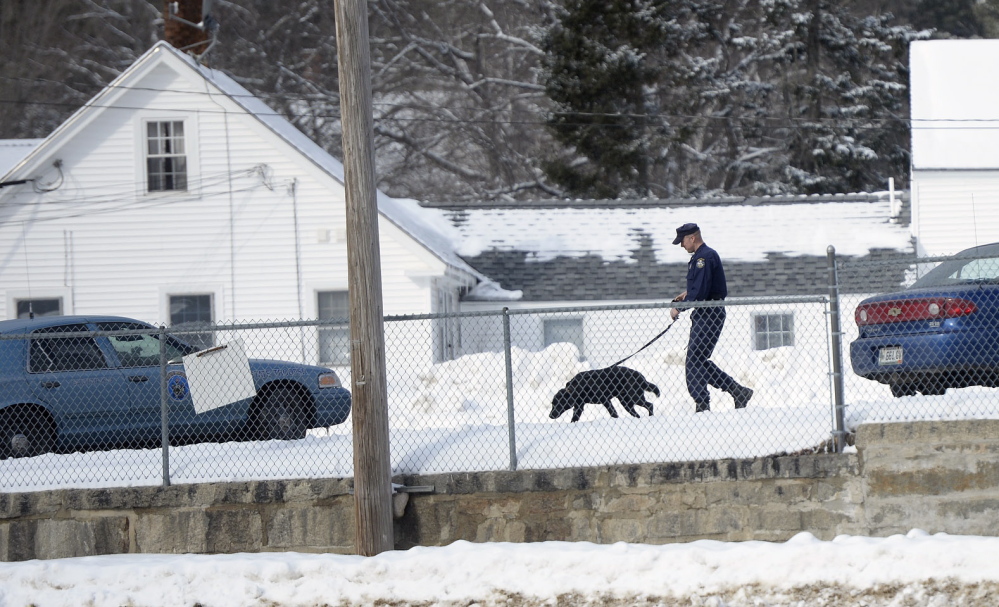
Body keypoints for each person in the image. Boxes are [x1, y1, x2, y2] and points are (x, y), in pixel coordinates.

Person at [670, 223, 754, 413]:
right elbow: (701, 287)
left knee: (694, 360)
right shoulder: (701, 257)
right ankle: (737, 391)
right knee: (698, 359)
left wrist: (679, 308)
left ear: (692, 238)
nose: (681, 245)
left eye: (682, 241)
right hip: (706, 311)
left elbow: (700, 292)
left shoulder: (704, 257)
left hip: (709, 311)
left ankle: (702, 404)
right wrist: (687, 293)